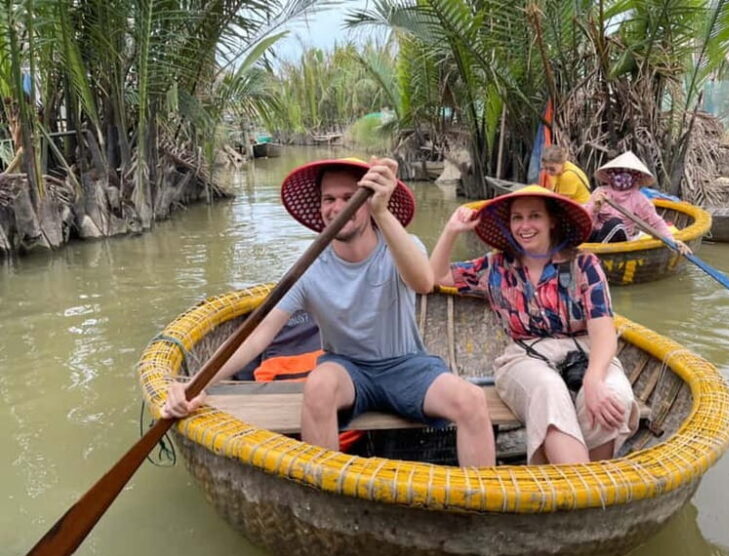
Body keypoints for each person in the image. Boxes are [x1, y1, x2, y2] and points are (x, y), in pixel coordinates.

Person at [163, 157, 496, 468]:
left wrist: (382, 210)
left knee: (472, 401)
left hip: (405, 364)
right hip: (348, 369)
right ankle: (328, 488)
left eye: (349, 197)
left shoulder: (400, 244)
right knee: (319, 386)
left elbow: (424, 283)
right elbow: (255, 338)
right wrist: (195, 385)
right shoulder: (310, 269)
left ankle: (482, 511)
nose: (337, 207)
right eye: (328, 199)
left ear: (368, 203)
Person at [429, 185, 639, 465]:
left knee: (613, 399)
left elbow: (603, 334)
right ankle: (584, 491)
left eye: (534, 216)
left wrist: (593, 379)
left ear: (551, 221)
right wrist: (452, 230)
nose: (524, 226)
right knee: (547, 390)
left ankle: (573, 483)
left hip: (586, 353)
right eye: (517, 218)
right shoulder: (495, 266)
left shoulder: (585, 265)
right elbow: (435, 275)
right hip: (524, 357)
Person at [587, 151, 692, 254]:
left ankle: (593, 256)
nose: (623, 177)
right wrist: (595, 208)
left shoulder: (638, 198)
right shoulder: (600, 192)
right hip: (597, 237)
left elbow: (656, 222)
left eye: (628, 173)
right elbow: (586, 221)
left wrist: (672, 241)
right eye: (619, 172)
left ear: (635, 177)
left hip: (618, 242)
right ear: (611, 174)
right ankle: (584, 254)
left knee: (615, 224)